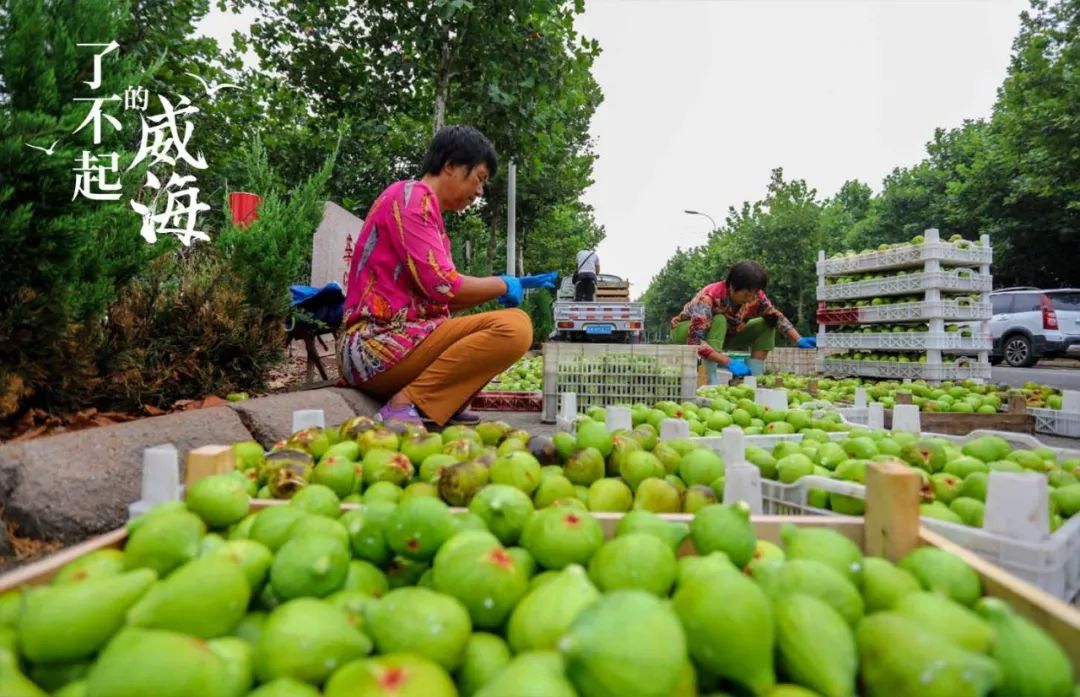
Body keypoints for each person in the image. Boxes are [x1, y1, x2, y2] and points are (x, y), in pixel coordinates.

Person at [338, 125, 558, 427]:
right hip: (373, 347)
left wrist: (500, 286)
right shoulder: (411, 198)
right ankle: (403, 405)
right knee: (515, 327)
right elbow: (444, 286)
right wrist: (503, 283)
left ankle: (438, 402)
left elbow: (436, 298)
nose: (480, 191)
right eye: (479, 178)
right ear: (451, 165)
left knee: (498, 329)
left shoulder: (428, 213)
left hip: (401, 343)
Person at [670, 260, 816, 378]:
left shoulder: (755, 297)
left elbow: (775, 317)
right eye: (746, 295)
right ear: (732, 287)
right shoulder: (709, 298)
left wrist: (798, 339)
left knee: (767, 322)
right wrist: (728, 362)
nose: (750, 299)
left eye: (755, 293)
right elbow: (694, 341)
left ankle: (754, 376)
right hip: (687, 334)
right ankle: (710, 378)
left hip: (724, 335)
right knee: (720, 318)